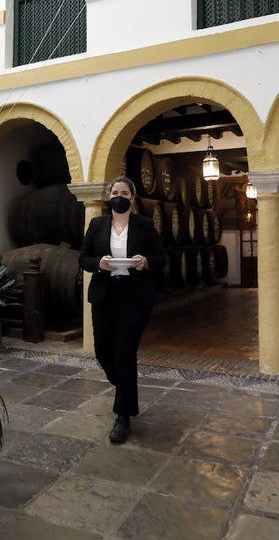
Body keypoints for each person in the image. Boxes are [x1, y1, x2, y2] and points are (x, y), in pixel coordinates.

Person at [78, 176, 167, 444]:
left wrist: (145, 261)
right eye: (115, 192)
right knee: (104, 352)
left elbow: (161, 258)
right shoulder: (97, 224)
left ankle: (123, 417)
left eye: (124, 192)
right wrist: (99, 263)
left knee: (124, 353)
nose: (119, 196)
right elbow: (83, 258)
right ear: (109, 196)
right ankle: (124, 387)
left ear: (132, 197)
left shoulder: (145, 225)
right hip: (105, 294)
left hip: (134, 296)